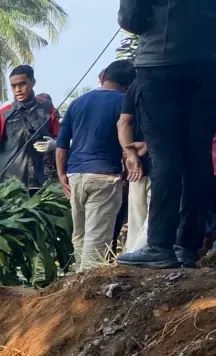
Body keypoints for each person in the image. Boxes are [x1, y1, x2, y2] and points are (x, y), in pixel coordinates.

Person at [115, 0, 216, 268]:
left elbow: (131, 19)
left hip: (159, 64)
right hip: (208, 65)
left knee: (165, 157)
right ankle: (188, 246)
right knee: (198, 156)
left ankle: (160, 245)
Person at [55, 60, 135, 271]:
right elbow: (126, 138)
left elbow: (62, 144)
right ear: (128, 85)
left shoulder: (78, 102)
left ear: (104, 77)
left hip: (75, 176)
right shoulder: (124, 102)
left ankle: (76, 285)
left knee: (80, 236)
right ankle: (85, 292)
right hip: (104, 176)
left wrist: (61, 174)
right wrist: (129, 168)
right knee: (97, 240)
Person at [0, 65, 61, 190]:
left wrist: (55, 144)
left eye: (22, 84)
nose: (18, 90)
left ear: (33, 82)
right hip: (10, 183)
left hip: (43, 180)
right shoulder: (3, 114)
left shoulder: (47, 109)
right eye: (13, 86)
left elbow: (61, 138)